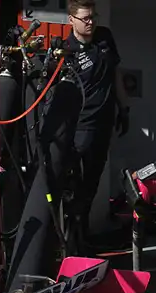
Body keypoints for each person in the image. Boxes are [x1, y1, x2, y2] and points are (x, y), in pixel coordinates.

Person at [64, 0, 129, 251]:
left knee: (92, 183)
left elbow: (116, 73)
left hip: (104, 122)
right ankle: (71, 241)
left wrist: (124, 108)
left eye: (93, 17)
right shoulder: (67, 51)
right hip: (81, 127)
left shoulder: (105, 37)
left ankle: (83, 235)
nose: (90, 22)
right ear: (71, 20)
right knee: (74, 188)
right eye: (85, 18)